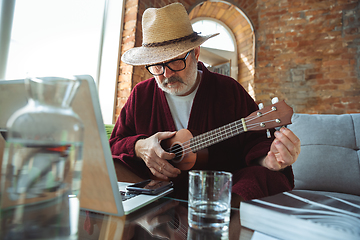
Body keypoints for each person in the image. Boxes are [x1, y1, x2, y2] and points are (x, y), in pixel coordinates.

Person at [109, 2, 301, 206]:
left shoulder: (229, 90)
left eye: (175, 61)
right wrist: (140, 147)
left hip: (216, 190)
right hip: (155, 190)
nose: (166, 74)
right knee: (105, 167)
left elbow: (255, 143)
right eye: (157, 65)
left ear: (196, 53)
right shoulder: (141, 95)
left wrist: (269, 159)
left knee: (267, 178)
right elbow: (115, 144)